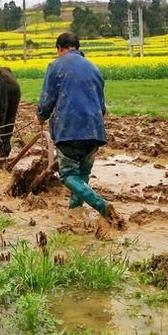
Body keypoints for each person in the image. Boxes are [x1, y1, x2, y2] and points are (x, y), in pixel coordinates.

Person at [36, 32, 123, 227]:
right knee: (82, 176)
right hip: (94, 131)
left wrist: (40, 116)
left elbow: (47, 100)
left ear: (59, 49)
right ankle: (75, 215)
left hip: (69, 129)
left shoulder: (55, 66)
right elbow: (102, 107)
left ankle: (100, 205)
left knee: (67, 175)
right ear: (77, 47)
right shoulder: (94, 68)